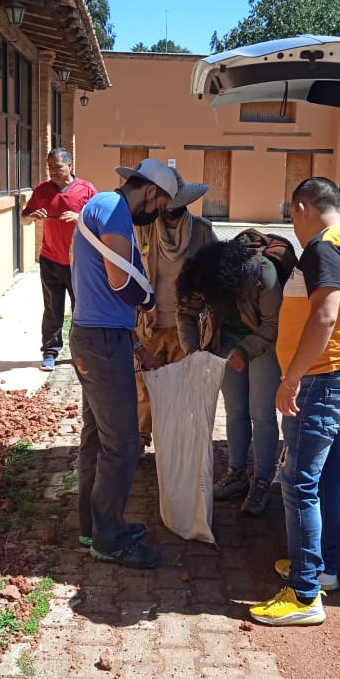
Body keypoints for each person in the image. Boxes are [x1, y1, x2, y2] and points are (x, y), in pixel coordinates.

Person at [249, 176, 340, 626]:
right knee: (327, 474)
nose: (292, 225)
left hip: (321, 380)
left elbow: (324, 315)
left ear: (302, 207)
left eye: (291, 214)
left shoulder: (324, 246)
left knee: (298, 481)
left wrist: (292, 380)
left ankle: (304, 594)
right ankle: (323, 569)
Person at [70, 158, 204, 569]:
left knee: (99, 437)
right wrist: (147, 297)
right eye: (161, 201)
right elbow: (119, 281)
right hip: (100, 343)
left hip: (100, 337)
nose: (160, 210)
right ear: (150, 191)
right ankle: (109, 540)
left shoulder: (105, 207)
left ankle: (93, 527)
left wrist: (135, 344)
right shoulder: (112, 210)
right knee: (124, 444)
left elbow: (105, 297)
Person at [176, 239, 283, 516]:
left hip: (265, 342)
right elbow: (186, 314)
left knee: (261, 412)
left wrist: (246, 350)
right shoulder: (204, 275)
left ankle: (261, 480)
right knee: (235, 410)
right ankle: (237, 475)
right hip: (227, 339)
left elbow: (274, 323)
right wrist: (193, 352)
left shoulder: (262, 274)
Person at [133, 168, 215, 450]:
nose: (170, 213)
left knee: (182, 388)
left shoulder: (203, 231)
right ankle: (141, 439)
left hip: (187, 328)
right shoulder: (142, 228)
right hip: (150, 324)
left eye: (176, 209)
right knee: (145, 388)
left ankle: (175, 442)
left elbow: (215, 275)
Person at [22, 148, 98, 372]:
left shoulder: (87, 190)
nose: (53, 172)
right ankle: (50, 352)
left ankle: (79, 353)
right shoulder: (43, 190)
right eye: (50, 168)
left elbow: (99, 222)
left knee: (80, 311)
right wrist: (32, 217)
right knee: (53, 309)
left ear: (70, 166)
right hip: (50, 260)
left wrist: (79, 217)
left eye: (58, 167)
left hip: (79, 263)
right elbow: (24, 219)